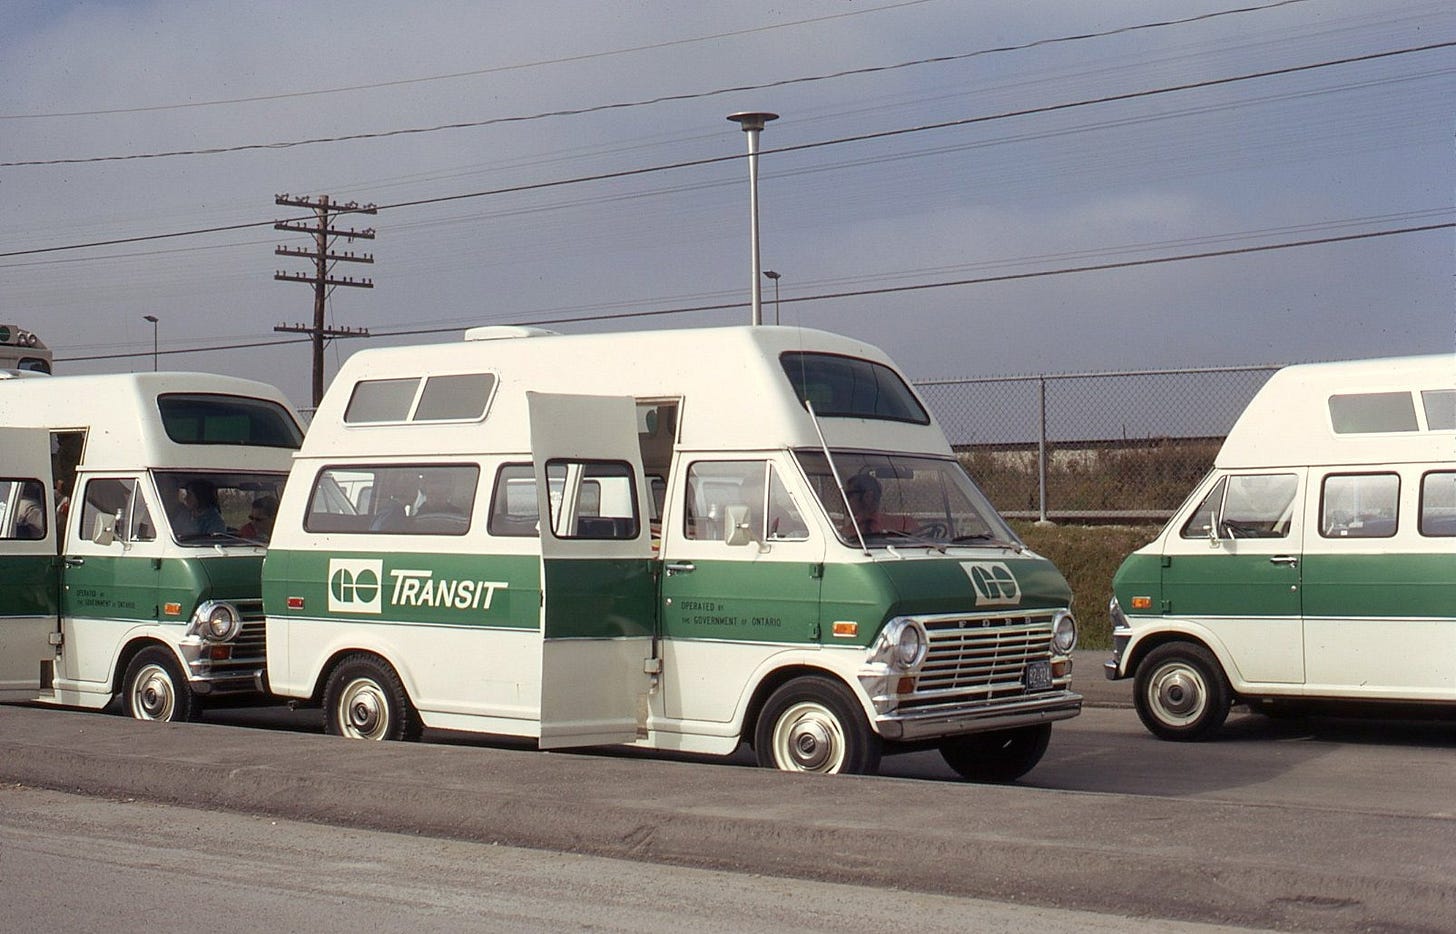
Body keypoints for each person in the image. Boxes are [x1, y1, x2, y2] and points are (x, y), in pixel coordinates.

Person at [842, 473, 913, 537]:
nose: (844, 500)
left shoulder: (905, 524)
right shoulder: (845, 535)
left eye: (848, 495)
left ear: (868, 496)